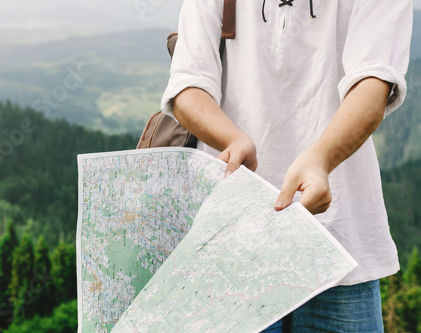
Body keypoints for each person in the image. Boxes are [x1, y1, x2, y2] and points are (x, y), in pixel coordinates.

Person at [160, 0, 413, 331]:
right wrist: (232, 139)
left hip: (340, 246)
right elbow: (187, 86)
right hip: (231, 245)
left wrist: (323, 157)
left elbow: (374, 81)